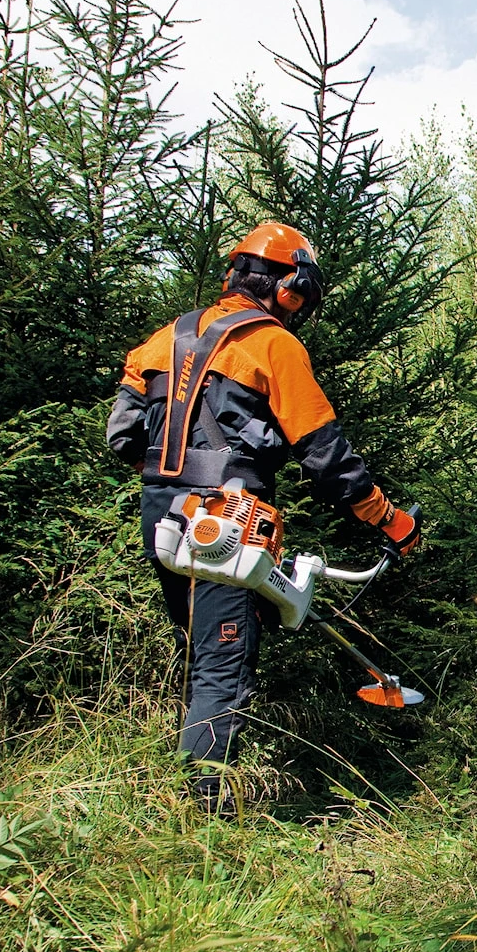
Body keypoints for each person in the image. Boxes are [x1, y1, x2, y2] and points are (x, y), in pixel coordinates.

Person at [106, 222, 421, 810]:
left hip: (162, 515)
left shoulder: (160, 341)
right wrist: (386, 518)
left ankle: (181, 788)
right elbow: (325, 454)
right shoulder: (274, 344)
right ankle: (200, 821)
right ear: (288, 287)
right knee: (223, 664)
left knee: (200, 652)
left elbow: (123, 438)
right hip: (227, 523)